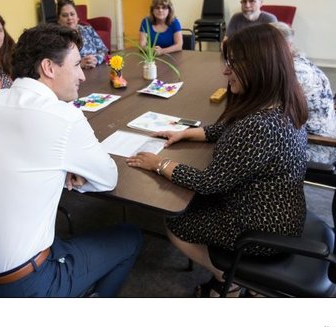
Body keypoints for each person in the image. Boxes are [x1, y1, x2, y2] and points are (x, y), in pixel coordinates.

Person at [0, 23, 142, 297]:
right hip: (22, 286)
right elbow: (108, 178)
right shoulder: (64, 117)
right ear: (48, 67)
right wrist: (71, 174)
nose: (82, 75)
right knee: (130, 237)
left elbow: (19, 152)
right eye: (76, 65)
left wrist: (57, 167)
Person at [126, 23, 308, 297]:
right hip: (281, 210)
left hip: (263, 228)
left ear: (258, 67)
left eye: (233, 64)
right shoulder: (281, 102)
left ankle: (230, 280)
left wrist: (159, 164)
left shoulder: (259, 126)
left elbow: (208, 183)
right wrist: (188, 133)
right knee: (188, 200)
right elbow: (231, 129)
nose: (225, 71)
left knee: (176, 221)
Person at [272, 22, 336, 165]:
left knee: (252, 150)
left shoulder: (297, 72)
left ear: (285, 47)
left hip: (319, 147)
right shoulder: (297, 62)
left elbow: (270, 113)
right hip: (318, 138)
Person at [57, 0, 108, 69]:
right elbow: (57, 64)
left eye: (72, 14)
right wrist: (79, 64)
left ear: (77, 17)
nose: (69, 18)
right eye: (65, 15)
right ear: (59, 20)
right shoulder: (57, 37)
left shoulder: (88, 29)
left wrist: (96, 59)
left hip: (96, 68)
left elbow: (104, 51)